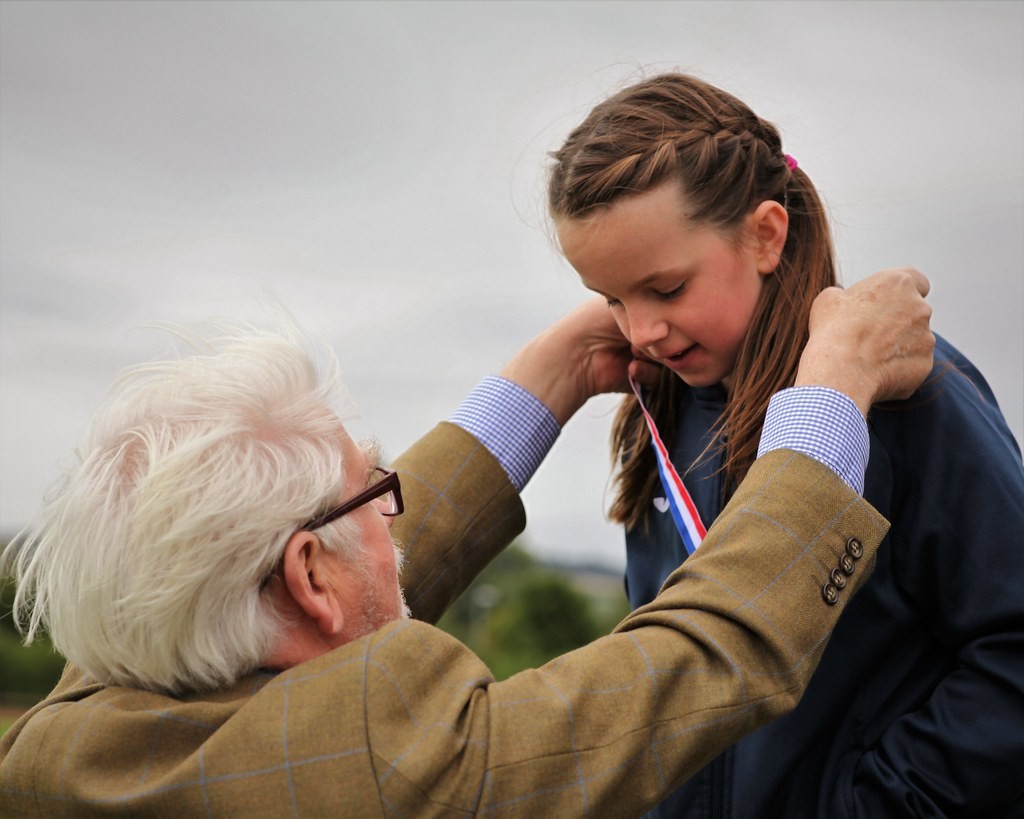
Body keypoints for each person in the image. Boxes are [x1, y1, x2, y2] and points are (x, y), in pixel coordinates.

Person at [0, 269, 932, 817]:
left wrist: (554, 378)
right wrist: (833, 390)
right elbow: (706, 651)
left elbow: (336, 569)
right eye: (374, 489)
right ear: (311, 577)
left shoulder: (63, 746)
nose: (394, 515)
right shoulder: (383, 768)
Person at [546, 72, 1024, 817]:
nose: (640, 331)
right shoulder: (658, 410)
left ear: (766, 235)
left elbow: (1013, 645)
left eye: (665, 289)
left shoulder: (910, 396)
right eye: (613, 298)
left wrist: (873, 804)